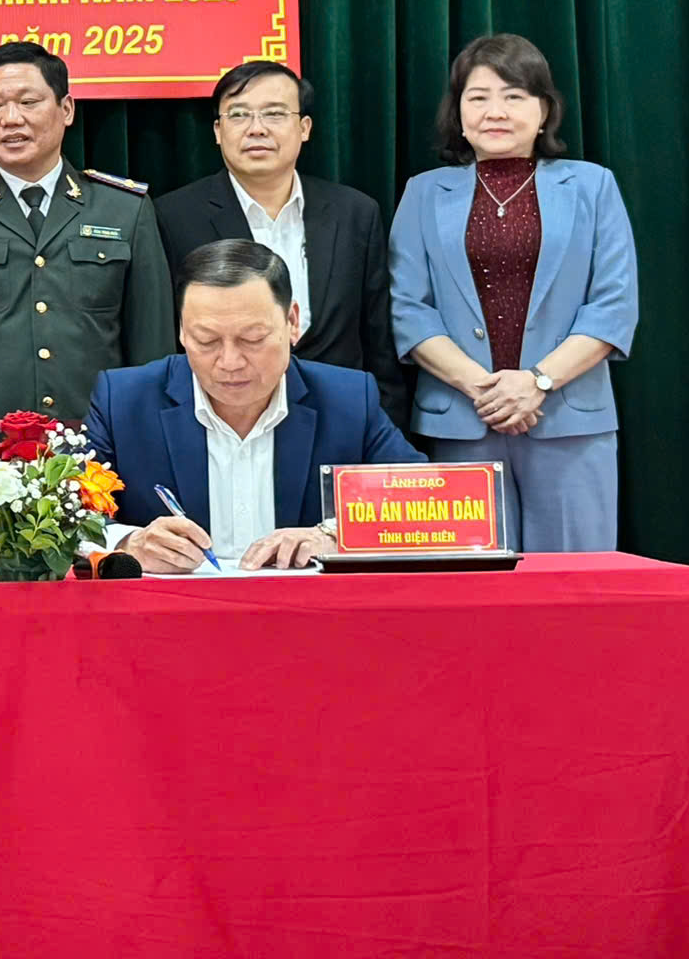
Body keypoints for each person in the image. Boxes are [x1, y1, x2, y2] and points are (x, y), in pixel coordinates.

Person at [0, 40, 173, 551]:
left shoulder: (124, 209)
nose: (10, 119)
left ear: (66, 109)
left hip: (95, 456)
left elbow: (152, 353)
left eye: (28, 102)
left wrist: (149, 460)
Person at [390, 33, 638, 550]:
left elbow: (613, 306)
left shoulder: (593, 186)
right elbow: (410, 310)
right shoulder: (423, 193)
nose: (495, 112)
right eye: (478, 97)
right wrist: (485, 390)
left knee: (573, 583)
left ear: (544, 110)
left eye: (514, 96)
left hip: (569, 420)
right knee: (473, 583)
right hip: (463, 421)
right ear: (458, 113)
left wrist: (537, 383)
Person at [86, 240, 424, 572]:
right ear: (182, 332)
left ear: (292, 322)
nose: (230, 362)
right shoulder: (125, 401)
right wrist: (127, 542)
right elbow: (66, 515)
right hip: (169, 605)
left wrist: (334, 536)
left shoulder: (347, 401)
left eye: (253, 339)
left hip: (305, 605)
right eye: (206, 340)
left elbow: (428, 502)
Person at [155, 60, 407, 426]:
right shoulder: (173, 217)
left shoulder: (355, 212)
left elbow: (379, 340)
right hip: (221, 420)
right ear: (217, 131)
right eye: (239, 115)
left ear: (304, 128)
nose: (256, 129)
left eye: (274, 114)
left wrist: (386, 428)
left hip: (340, 421)